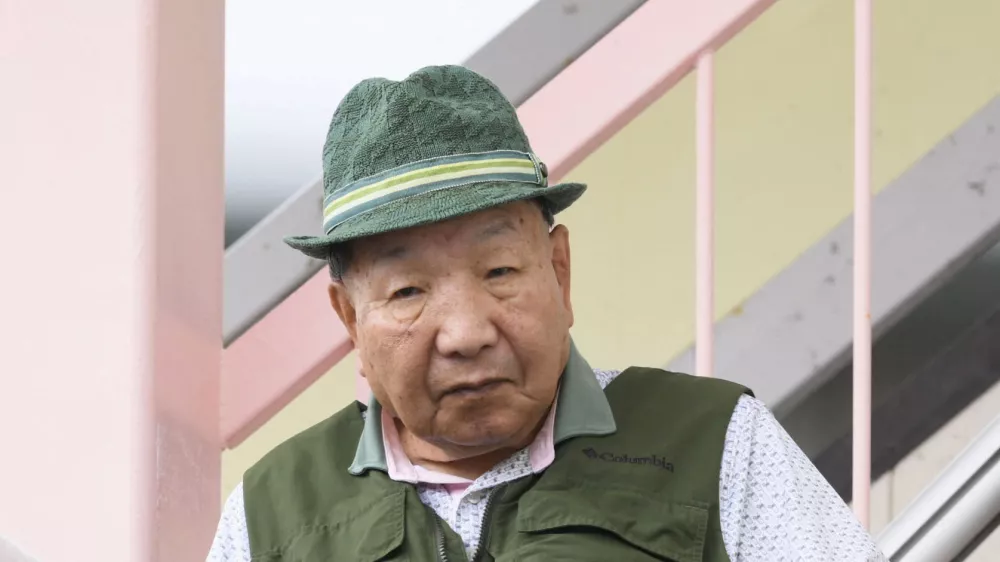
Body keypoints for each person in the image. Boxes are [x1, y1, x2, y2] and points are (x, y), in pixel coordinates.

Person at [207, 65, 886, 561]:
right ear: (350, 318)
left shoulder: (716, 442)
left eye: (499, 271)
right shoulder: (271, 511)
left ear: (559, 270)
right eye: (409, 290)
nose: (468, 334)